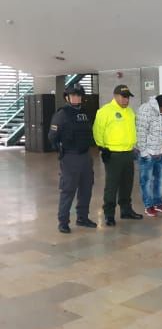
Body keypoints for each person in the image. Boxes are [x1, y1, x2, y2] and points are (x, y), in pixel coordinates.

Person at [48, 83, 97, 233]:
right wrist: (62, 151)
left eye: (79, 95)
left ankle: (82, 217)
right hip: (70, 157)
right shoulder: (62, 114)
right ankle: (63, 221)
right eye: (73, 95)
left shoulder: (85, 113)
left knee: (86, 188)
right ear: (67, 97)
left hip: (85, 156)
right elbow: (52, 136)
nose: (76, 98)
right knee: (68, 190)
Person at [93, 84, 141, 225]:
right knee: (112, 185)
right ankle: (109, 214)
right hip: (113, 154)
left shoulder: (130, 112)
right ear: (115, 96)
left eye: (128, 97)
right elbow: (97, 131)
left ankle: (126, 210)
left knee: (127, 184)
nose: (126, 100)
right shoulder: (105, 111)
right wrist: (103, 148)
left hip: (128, 153)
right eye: (123, 97)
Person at [136, 94, 162, 216]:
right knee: (146, 181)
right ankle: (148, 206)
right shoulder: (145, 110)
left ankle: (158, 203)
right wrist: (144, 153)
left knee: (159, 180)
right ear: (158, 105)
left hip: (160, 152)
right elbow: (140, 133)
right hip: (147, 154)